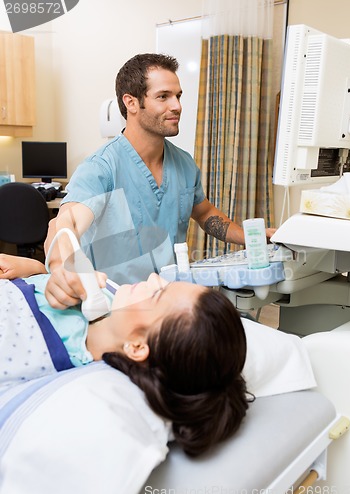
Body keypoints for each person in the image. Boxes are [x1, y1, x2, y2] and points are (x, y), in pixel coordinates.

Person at [44, 52, 275, 311]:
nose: (176, 106)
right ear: (131, 103)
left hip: (168, 299)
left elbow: (205, 213)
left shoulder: (184, 164)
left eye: (178, 96)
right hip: (118, 306)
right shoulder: (102, 168)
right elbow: (66, 222)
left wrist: (252, 237)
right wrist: (59, 269)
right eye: (163, 96)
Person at [0, 253, 250, 457]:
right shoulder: (107, 293)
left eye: (156, 294)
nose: (153, 277)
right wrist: (31, 268)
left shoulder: (41, 354)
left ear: (138, 347)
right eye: (164, 284)